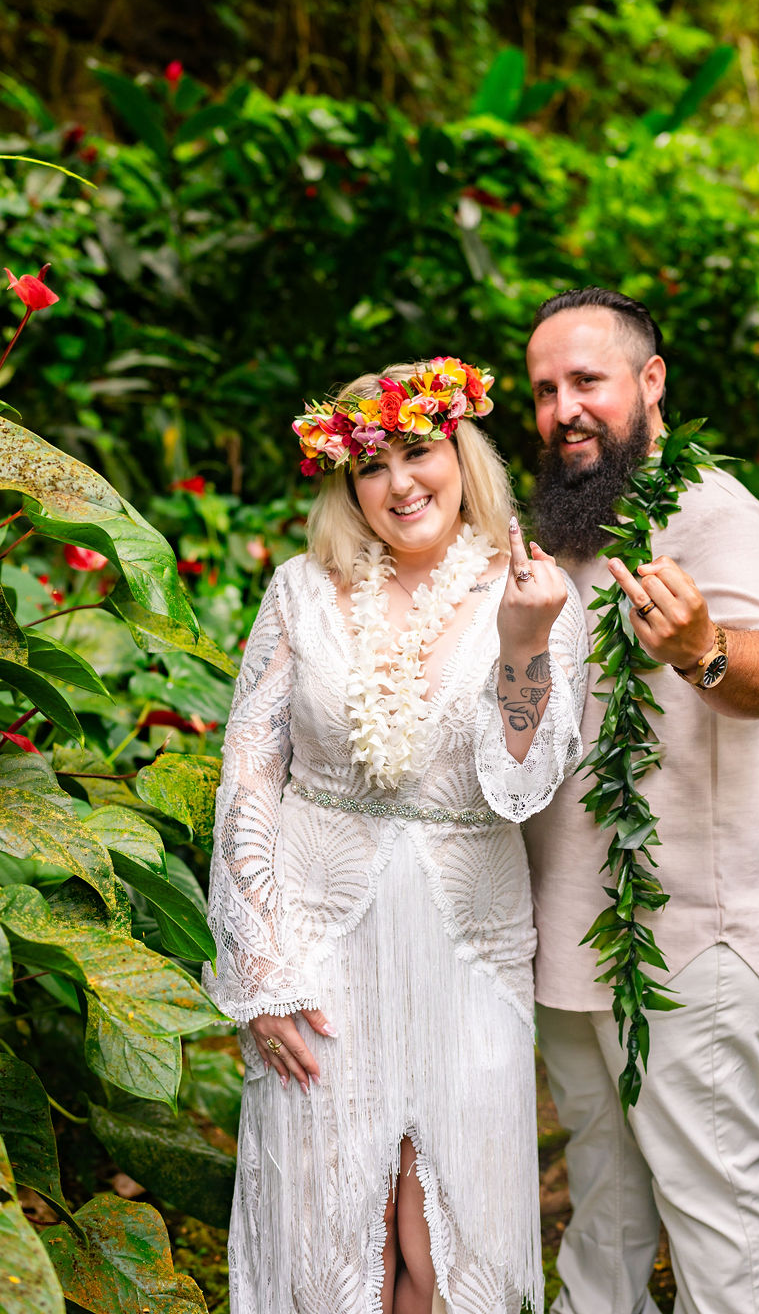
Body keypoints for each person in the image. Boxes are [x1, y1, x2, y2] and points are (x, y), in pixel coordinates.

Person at [203, 356, 587, 1314]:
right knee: (334, 1231)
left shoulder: (534, 589)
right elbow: (249, 775)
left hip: (469, 946)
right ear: (346, 482)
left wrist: (523, 645)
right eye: (371, 466)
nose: (399, 482)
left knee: (446, 1236)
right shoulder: (300, 590)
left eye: (419, 451)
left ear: (463, 455)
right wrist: (261, 973)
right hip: (321, 943)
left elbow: (523, 786)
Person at [522, 288, 759, 1314]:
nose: (565, 409)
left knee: (710, 1198)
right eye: (545, 390)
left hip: (687, 935)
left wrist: (703, 651)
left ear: (650, 384)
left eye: (587, 381)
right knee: (600, 1189)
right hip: (565, 929)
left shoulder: (716, 513)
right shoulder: (558, 538)